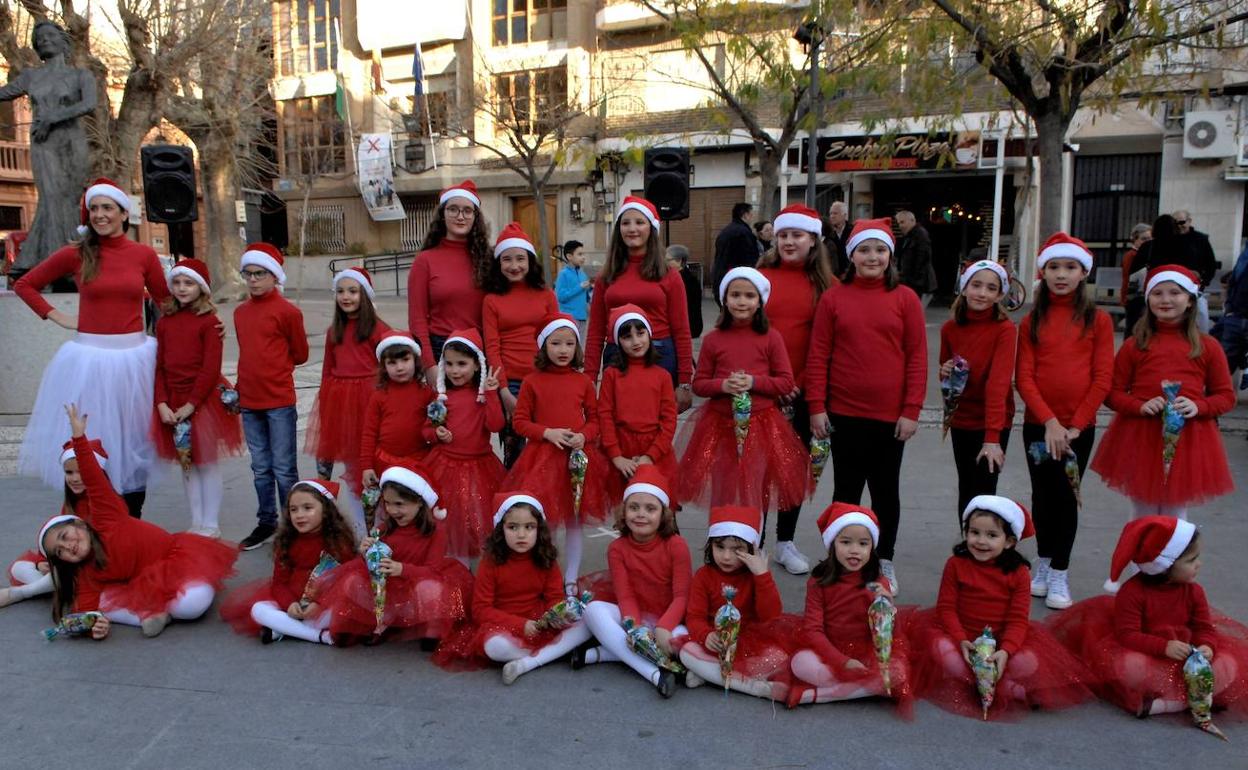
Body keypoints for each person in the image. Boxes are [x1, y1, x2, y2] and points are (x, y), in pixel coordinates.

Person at [15, 178, 170, 517]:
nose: (99, 215)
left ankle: (130, 523)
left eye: (107, 208)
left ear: (122, 213)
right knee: (91, 443)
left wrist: (201, 322)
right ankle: (91, 523)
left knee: (133, 444)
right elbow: (25, 284)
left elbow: (166, 302)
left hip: (134, 363)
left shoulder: (143, 255)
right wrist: (57, 316)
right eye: (94, 208)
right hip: (89, 364)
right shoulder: (76, 253)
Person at [39, 405, 238, 639]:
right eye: (60, 551)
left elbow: (93, 478)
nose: (68, 546)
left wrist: (79, 439)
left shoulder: (106, 517)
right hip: (140, 580)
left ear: (81, 524)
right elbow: (84, 608)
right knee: (99, 599)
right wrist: (94, 625)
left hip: (174, 558)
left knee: (192, 606)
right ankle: (153, 614)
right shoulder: (85, 571)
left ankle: (162, 609)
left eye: (65, 537)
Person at [806, 218, 927, 596]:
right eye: (864, 249)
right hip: (843, 413)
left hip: (890, 419)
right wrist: (816, 406)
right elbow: (819, 354)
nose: (872, 256)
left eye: (879, 250)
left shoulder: (905, 298)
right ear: (851, 254)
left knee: (885, 492)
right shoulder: (834, 298)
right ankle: (841, 560)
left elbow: (917, 358)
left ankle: (883, 558)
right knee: (846, 492)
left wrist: (911, 410)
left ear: (889, 255)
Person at [909, 495, 1091, 720]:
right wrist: (961, 639)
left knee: (1028, 662)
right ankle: (995, 684)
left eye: (992, 535)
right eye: (974, 533)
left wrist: (1006, 650)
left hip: (1001, 639)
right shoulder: (955, 564)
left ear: (1009, 542)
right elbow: (946, 608)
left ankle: (984, 678)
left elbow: (1018, 619)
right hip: (960, 635)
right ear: (965, 533)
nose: (981, 541)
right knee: (940, 650)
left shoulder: (1019, 573)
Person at [1048, 517, 1248, 719]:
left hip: (1188, 653)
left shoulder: (1194, 591)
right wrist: (1163, 647)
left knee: (1228, 665)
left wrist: (1207, 646)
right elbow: (1127, 635)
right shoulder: (1133, 592)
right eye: (1191, 560)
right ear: (1165, 565)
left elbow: (1204, 627)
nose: (1199, 564)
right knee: (1129, 667)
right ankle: (1192, 699)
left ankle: (1172, 701)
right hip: (1149, 653)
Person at [1090, 265, 1234, 530]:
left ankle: (1172, 567)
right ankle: (1140, 567)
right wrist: (1139, 405)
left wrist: (1199, 406)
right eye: (1157, 293)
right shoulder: (1136, 344)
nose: (1165, 299)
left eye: (1174, 293)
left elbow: (1225, 396)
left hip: (1188, 441)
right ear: (1148, 300)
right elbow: (1112, 392)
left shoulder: (1207, 346)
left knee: (1176, 513)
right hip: (1141, 437)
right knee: (1142, 512)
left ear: (1190, 300)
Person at [1016, 233, 1114, 609]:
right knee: (1043, 494)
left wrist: (1075, 425)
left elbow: (1102, 377)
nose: (1061, 275)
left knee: (1067, 495)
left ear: (1082, 273)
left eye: (1069, 268)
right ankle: (1042, 563)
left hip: (1078, 430)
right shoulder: (1032, 322)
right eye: (1054, 267)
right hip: (1039, 427)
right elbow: (1024, 377)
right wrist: (1049, 422)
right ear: (1044, 272)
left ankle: (1060, 570)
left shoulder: (1099, 321)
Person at [676, 267, 810, 522]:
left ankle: (750, 543)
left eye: (749, 296)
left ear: (760, 301)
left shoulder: (771, 338)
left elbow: (785, 383)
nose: (741, 301)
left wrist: (753, 381)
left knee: (752, 490)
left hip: (760, 425)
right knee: (723, 488)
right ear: (724, 299)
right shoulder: (714, 339)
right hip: (720, 425)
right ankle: (720, 542)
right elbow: (700, 384)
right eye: (735, 294)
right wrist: (723, 386)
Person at [432, 493, 593, 684]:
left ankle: (526, 664)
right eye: (513, 527)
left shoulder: (545, 558)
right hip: (502, 623)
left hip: (538, 619)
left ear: (539, 529)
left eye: (529, 527)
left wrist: (557, 614)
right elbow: (480, 610)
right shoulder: (491, 561)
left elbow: (554, 597)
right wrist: (519, 625)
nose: (521, 534)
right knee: (495, 647)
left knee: (588, 620)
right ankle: (556, 653)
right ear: (501, 529)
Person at [503, 314, 610, 588]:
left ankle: (571, 579)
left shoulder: (583, 381)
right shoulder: (532, 381)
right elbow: (520, 421)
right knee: (545, 522)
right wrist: (547, 433)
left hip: (577, 460)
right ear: (543, 346)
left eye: (569, 344)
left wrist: (583, 436)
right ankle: (546, 574)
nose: (563, 350)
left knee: (574, 521)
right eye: (556, 343)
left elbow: (595, 419)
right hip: (542, 461)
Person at [757, 203, 836, 573]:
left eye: (797, 235)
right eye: (784, 234)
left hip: (802, 391)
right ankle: (749, 538)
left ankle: (785, 542)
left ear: (812, 240)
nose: (789, 241)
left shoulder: (826, 286)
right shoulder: (760, 275)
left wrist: (800, 385)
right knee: (755, 469)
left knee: (792, 471)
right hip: (760, 389)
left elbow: (826, 344)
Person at [317, 461, 473, 645]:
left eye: (399, 504)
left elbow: (433, 570)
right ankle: (376, 622)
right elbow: (373, 563)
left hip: (415, 586)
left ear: (420, 503)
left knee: (431, 587)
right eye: (388, 504)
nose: (392, 510)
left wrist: (402, 569)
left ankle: (432, 630)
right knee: (352, 581)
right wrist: (366, 551)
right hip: (386, 590)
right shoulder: (385, 527)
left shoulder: (436, 531)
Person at [151, 258, 243, 538]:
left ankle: (211, 522)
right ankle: (196, 520)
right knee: (187, 464)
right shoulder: (165, 323)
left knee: (206, 463)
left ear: (201, 288)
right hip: (173, 400)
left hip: (201, 402)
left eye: (188, 283)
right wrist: (162, 403)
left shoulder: (209, 323)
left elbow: (210, 369)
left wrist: (191, 404)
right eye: (177, 282)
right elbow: (160, 366)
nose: (181, 288)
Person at [787, 503, 913, 710]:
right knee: (800, 663)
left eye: (863, 544)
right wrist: (842, 662)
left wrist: (889, 608)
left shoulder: (878, 582)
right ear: (832, 543)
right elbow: (813, 630)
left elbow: (890, 634)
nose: (854, 551)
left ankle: (819, 695)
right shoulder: (819, 582)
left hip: (866, 653)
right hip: (828, 650)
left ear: (871, 547)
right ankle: (856, 689)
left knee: (898, 673)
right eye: (846, 542)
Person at [578, 468, 691, 698]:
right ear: (624, 511)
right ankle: (653, 673)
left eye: (650, 509)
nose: (641, 514)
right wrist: (635, 629)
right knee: (593, 610)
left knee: (682, 644)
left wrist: (663, 627)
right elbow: (625, 595)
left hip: (669, 619)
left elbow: (682, 596)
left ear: (663, 515)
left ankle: (601, 654)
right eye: (634, 507)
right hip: (636, 615)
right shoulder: (617, 549)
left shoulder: (676, 545)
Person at [584, 197, 694, 411]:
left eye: (639, 222)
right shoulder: (606, 276)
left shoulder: (669, 275)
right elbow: (596, 330)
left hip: (660, 357)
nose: (632, 229)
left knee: (654, 430)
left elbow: (681, 330)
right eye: (626, 223)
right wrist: (589, 377)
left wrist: (684, 382)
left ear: (651, 228)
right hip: (616, 358)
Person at [233, 243, 309, 551]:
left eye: (259, 273)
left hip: (278, 400)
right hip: (249, 402)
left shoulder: (288, 312)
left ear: (274, 276)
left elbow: (301, 353)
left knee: (283, 468)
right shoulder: (240, 313)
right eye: (248, 274)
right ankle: (267, 521)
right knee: (260, 467)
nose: (253, 280)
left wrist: (277, 369)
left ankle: (294, 524)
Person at [677, 504, 796, 700]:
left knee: (781, 657)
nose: (726, 556)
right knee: (686, 652)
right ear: (710, 545)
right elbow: (694, 616)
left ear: (751, 548)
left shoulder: (755, 575)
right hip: (715, 642)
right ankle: (751, 687)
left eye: (737, 549)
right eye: (719, 546)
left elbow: (772, 616)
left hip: (749, 642)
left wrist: (762, 575)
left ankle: (710, 674)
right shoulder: (703, 576)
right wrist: (705, 635)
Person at [218, 479, 357, 645]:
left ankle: (283, 629)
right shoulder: (287, 541)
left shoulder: (338, 541)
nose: (299, 515)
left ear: (326, 510)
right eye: (293, 509)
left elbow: (345, 580)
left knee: (343, 612)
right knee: (259, 610)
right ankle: (320, 636)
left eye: (308, 508)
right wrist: (290, 604)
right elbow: (279, 583)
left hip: (326, 603)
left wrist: (320, 604)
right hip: (295, 602)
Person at [305, 267, 391, 534]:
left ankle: (380, 525)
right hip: (341, 405)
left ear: (364, 294)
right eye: (340, 291)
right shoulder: (334, 332)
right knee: (352, 469)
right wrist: (328, 408)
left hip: (368, 402)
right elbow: (327, 371)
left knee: (372, 465)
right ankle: (358, 529)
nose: (346, 297)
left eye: (352, 291)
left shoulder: (378, 329)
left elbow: (392, 362)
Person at [939, 260, 1017, 519]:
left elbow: (999, 384)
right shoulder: (950, 328)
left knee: (984, 490)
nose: (982, 293)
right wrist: (946, 372)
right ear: (964, 287)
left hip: (991, 422)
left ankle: (985, 547)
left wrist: (992, 437)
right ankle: (968, 543)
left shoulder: (1004, 330)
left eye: (991, 288)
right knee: (967, 487)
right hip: (962, 420)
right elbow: (946, 376)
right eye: (976, 285)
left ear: (999, 295)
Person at [424, 329, 507, 562]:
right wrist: (436, 433)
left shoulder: (481, 398)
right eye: (449, 364)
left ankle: (474, 577)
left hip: (479, 468)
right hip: (445, 466)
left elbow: (496, 424)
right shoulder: (441, 398)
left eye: (462, 363)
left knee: (477, 524)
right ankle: (457, 575)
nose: (455, 370)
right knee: (452, 524)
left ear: (477, 365)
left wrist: (491, 393)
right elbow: (426, 429)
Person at [482, 223, 559, 468]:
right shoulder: (492, 299)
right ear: (498, 263)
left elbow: (556, 338)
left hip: (543, 378)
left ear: (530, 260)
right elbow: (492, 347)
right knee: (514, 452)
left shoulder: (546, 294)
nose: (514, 266)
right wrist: (503, 391)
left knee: (544, 449)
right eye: (507, 259)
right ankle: (514, 501)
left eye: (520, 259)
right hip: (511, 383)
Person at [408, 180, 492, 382]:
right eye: (453, 209)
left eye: (467, 211)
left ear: (475, 216)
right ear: (442, 214)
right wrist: (429, 364)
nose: (460, 216)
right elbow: (417, 319)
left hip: (480, 352)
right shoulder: (425, 261)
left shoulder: (489, 259)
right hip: (441, 353)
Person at [597, 305, 678, 505]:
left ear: (649, 335)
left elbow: (669, 420)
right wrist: (616, 456)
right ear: (618, 341)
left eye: (640, 333)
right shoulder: (611, 375)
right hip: (621, 448)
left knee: (659, 508)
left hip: (655, 449)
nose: (635, 341)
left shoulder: (662, 376)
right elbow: (604, 415)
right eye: (627, 337)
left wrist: (651, 456)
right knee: (627, 510)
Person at [1, 442, 93, 609]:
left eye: (81, 472)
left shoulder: (103, 504)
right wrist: (45, 562)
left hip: (94, 564)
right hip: (69, 559)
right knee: (19, 568)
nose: (75, 478)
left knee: (62, 575)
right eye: (69, 472)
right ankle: (53, 587)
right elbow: (55, 539)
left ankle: (20, 593)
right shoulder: (72, 504)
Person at [359, 332, 434, 488]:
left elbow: (435, 425)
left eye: (405, 360)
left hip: (419, 461)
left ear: (415, 360)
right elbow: (369, 433)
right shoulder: (379, 396)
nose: (400, 367)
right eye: (392, 363)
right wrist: (367, 465)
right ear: (384, 367)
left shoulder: (427, 393)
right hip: (386, 462)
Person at [710, 202, 759, 306]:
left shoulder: (724, 232)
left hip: (720, 278)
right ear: (745, 215)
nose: (752, 218)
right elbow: (749, 260)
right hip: (736, 281)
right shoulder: (744, 233)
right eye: (751, 215)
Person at [1216, 242, 1248, 384]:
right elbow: (1233, 282)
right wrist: (1229, 309)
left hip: (1237, 316)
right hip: (1235, 316)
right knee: (1224, 365)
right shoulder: (1245, 255)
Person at [1119, 223, 1152, 338]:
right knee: (1133, 326)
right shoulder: (1132, 255)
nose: (1147, 242)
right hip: (1134, 297)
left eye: (1149, 239)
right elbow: (1129, 278)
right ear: (1135, 240)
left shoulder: (1142, 254)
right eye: (1144, 239)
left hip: (1139, 296)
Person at [664, 244, 703, 338]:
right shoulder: (678, 277)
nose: (665, 263)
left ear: (679, 261)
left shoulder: (688, 281)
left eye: (668, 260)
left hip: (688, 328)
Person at [894, 210, 935, 301]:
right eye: (899, 223)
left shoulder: (920, 235)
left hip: (919, 284)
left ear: (912, 220)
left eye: (903, 222)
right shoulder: (910, 236)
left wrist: (912, 280)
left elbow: (922, 259)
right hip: (914, 283)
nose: (900, 226)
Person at [555, 239, 591, 340]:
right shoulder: (563, 274)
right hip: (569, 318)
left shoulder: (583, 274)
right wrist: (580, 287)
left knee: (580, 349)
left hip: (583, 318)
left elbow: (586, 298)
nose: (583, 257)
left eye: (583, 254)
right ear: (569, 256)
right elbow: (561, 297)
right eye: (579, 254)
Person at [822, 201, 852, 278]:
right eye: (830, 213)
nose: (832, 216)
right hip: (833, 276)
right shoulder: (828, 234)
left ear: (844, 215)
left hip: (849, 274)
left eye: (835, 213)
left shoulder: (852, 232)